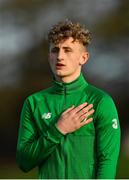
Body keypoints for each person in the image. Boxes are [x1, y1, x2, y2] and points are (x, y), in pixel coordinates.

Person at [16, 20, 121, 179]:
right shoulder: (34, 102)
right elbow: (24, 162)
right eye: (55, 50)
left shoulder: (101, 101)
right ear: (49, 55)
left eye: (68, 50)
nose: (60, 56)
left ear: (83, 58)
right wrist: (58, 130)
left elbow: (108, 161)